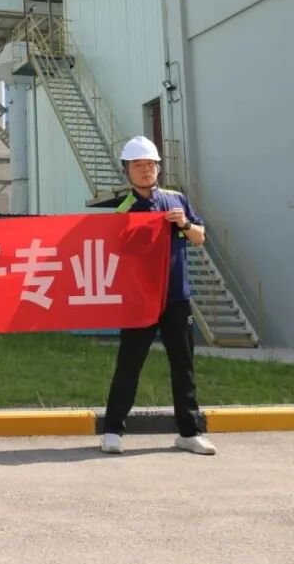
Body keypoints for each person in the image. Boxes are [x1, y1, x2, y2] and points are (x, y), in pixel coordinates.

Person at [100, 135, 216, 456]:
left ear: (158, 168)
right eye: (138, 165)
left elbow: (199, 237)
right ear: (127, 170)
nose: (145, 170)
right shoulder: (123, 208)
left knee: (184, 366)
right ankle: (112, 431)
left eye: (150, 164)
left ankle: (189, 432)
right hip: (140, 300)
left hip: (176, 298)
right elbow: (113, 248)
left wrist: (184, 223)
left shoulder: (176, 200)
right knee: (129, 365)